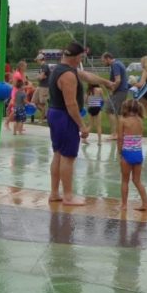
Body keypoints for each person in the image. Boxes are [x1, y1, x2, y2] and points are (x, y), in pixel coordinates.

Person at [48, 42, 106, 205]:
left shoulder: (60, 69)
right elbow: (71, 104)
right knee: (68, 156)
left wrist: (106, 83)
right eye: (80, 57)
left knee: (58, 154)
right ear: (74, 57)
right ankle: (67, 196)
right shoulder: (68, 75)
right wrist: (81, 125)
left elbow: (87, 76)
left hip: (55, 114)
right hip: (65, 116)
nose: (81, 60)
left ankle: (54, 193)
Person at [117, 99, 147, 211]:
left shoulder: (122, 120)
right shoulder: (140, 120)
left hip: (127, 153)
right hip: (138, 153)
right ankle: (146, 203)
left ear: (125, 108)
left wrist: (120, 152)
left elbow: (120, 138)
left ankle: (124, 205)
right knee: (137, 181)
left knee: (125, 181)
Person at [101, 52, 129, 139]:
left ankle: (114, 134)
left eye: (103, 61)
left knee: (109, 110)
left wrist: (112, 90)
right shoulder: (119, 62)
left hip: (119, 91)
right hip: (123, 91)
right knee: (119, 114)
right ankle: (120, 133)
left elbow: (118, 80)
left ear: (108, 58)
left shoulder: (115, 65)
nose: (103, 63)